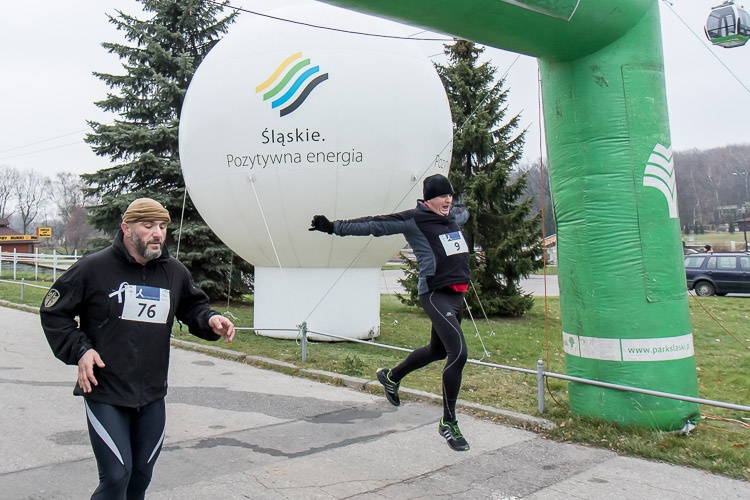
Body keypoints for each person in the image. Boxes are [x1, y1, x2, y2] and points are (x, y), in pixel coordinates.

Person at [40, 198, 235, 499]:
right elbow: (54, 312)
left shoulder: (173, 272)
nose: (158, 233)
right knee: (117, 476)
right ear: (126, 228)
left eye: (162, 226)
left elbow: (193, 307)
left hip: (152, 394)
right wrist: (81, 350)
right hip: (106, 391)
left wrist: (210, 319)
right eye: (148, 226)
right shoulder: (93, 268)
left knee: (140, 477)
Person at [309, 173, 471, 451]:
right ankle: (448, 422)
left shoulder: (453, 216)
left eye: (450, 196)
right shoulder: (414, 219)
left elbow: (463, 211)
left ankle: (391, 376)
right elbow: (374, 224)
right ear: (429, 199)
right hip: (435, 294)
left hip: (457, 295)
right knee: (458, 353)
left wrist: (461, 207)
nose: (448, 200)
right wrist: (334, 227)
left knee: (437, 350)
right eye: (442, 196)